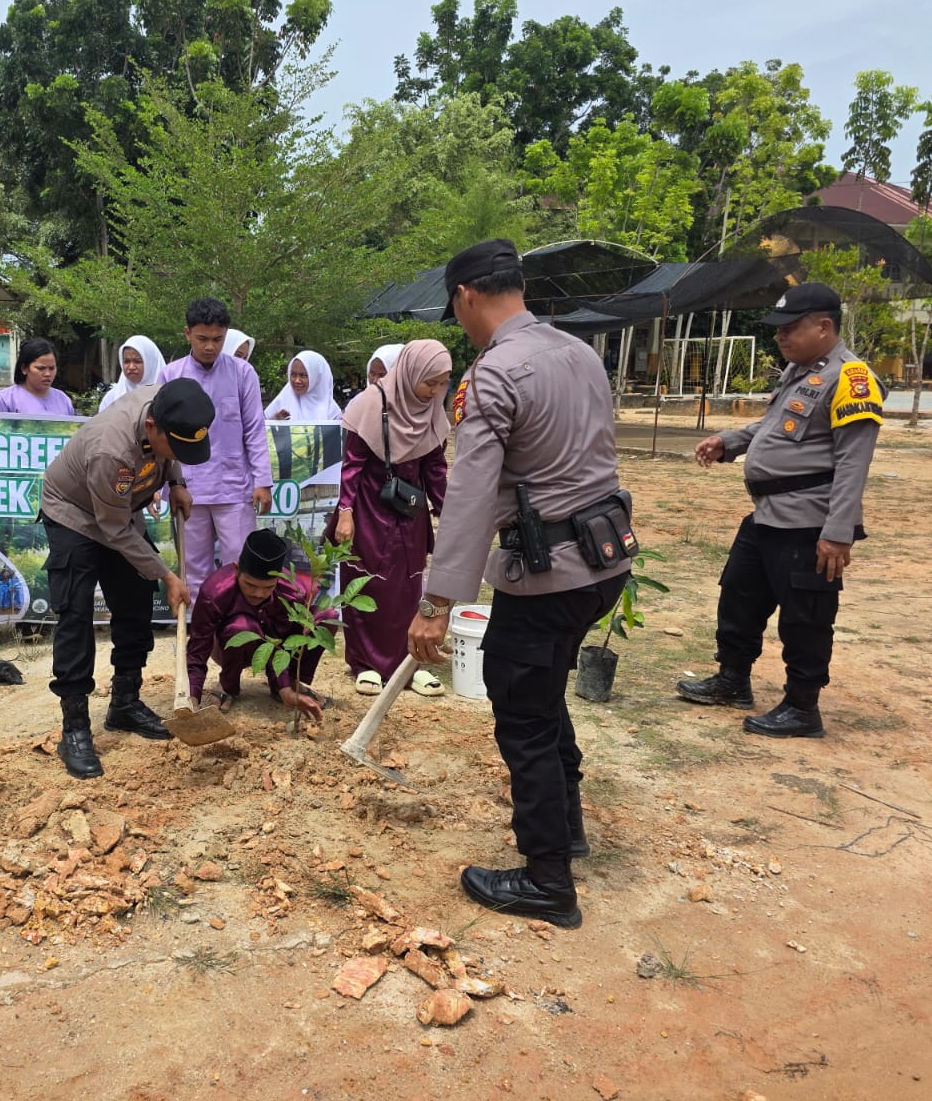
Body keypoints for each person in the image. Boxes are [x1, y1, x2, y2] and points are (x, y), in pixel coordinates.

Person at [406, 239, 632, 929]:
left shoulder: (496, 374)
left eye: (455, 308)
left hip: (549, 574)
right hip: (604, 561)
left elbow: (471, 496)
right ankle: (566, 828)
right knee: (545, 695)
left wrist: (436, 603)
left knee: (525, 719)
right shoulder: (579, 352)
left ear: (466, 295)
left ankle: (546, 881)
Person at [676, 281, 885, 736]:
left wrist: (838, 530)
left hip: (809, 523)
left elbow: (854, 462)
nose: (780, 337)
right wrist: (728, 442)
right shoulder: (802, 371)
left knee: (805, 617)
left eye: (790, 329)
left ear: (824, 326)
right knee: (739, 595)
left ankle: (802, 708)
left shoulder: (851, 379)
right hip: (768, 516)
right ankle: (733, 680)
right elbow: (775, 427)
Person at [39, 379, 211, 778]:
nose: (179, 454)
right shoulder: (110, 451)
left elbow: (175, 447)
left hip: (120, 509)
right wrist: (168, 575)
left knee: (135, 598)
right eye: (177, 447)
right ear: (152, 427)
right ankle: (75, 727)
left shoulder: (167, 404)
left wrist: (177, 481)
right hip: (74, 514)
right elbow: (113, 531)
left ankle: (125, 703)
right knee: (76, 613)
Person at [336, 340, 452, 698]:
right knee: (368, 584)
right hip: (369, 509)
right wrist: (345, 513)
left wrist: (449, 512)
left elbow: (434, 467)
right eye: (429, 382)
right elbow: (352, 466)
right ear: (410, 371)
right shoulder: (370, 404)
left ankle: (409, 664)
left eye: (442, 382)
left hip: (410, 512)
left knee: (407, 587)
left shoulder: (432, 411)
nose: (435, 391)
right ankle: (365, 664)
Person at [157, 298, 273, 594]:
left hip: (233, 488)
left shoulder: (243, 373)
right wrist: (159, 487)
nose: (210, 346)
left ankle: (237, 633)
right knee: (194, 571)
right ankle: (200, 635)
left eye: (218, 339)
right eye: (202, 339)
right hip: (187, 489)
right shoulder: (170, 375)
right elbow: (160, 437)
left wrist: (263, 481)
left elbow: (255, 431)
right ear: (187, 334)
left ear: (226, 334)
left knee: (239, 566)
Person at [186, 528, 331, 720]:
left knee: (325, 616)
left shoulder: (292, 592)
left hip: (274, 646)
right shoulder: (214, 592)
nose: (259, 594)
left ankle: (288, 684)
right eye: (250, 585)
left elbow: (286, 643)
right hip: (227, 646)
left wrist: (285, 688)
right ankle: (228, 685)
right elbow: (198, 648)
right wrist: (192, 697)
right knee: (242, 627)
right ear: (237, 569)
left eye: (268, 587)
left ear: (279, 578)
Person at [0, 337, 75, 415]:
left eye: (52, 368)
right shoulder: (3, 401)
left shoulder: (63, 400)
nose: (47, 374)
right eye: (41, 368)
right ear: (24, 368)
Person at [267, 350, 343, 423]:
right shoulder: (282, 400)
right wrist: (275, 420)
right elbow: (262, 428)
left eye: (303, 375)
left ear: (316, 377)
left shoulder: (331, 411)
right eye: (293, 374)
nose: (297, 380)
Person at [101, 336, 167, 410]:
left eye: (137, 361)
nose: (131, 367)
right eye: (126, 361)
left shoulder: (166, 397)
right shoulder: (112, 398)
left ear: (151, 363)